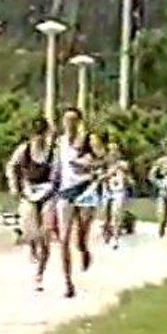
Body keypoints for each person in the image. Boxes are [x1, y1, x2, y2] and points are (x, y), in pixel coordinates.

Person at [51, 107, 105, 298]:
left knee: (80, 238)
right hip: (65, 193)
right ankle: (67, 283)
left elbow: (104, 160)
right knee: (63, 239)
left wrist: (87, 164)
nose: (69, 124)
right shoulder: (59, 142)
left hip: (86, 190)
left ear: (79, 121)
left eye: (73, 120)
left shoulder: (90, 139)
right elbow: (57, 167)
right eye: (66, 120)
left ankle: (84, 251)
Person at [4, 117, 56, 291]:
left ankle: (39, 274)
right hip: (28, 192)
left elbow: (59, 172)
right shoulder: (24, 150)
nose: (39, 137)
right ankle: (33, 246)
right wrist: (14, 186)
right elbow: (12, 166)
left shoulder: (52, 152)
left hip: (48, 194)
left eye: (42, 133)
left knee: (45, 234)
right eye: (36, 134)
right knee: (30, 231)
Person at [104, 156, 133, 250]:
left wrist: (127, 178)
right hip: (108, 192)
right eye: (111, 151)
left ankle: (115, 238)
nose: (113, 153)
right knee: (107, 214)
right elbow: (101, 176)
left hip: (119, 192)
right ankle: (107, 232)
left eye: (115, 151)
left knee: (116, 215)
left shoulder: (123, 165)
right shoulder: (105, 164)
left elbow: (129, 177)